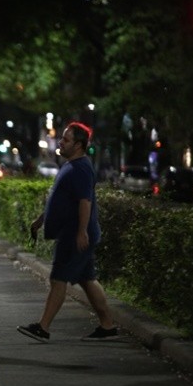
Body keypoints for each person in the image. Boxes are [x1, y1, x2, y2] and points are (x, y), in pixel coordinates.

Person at [17, 122, 120, 343]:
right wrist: (40, 220)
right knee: (87, 279)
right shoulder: (69, 166)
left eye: (66, 140)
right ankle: (108, 325)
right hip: (71, 233)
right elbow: (61, 200)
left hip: (75, 235)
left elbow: (85, 202)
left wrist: (82, 231)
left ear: (79, 145)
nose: (61, 143)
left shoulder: (81, 168)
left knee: (58, 279)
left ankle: (43, 327)